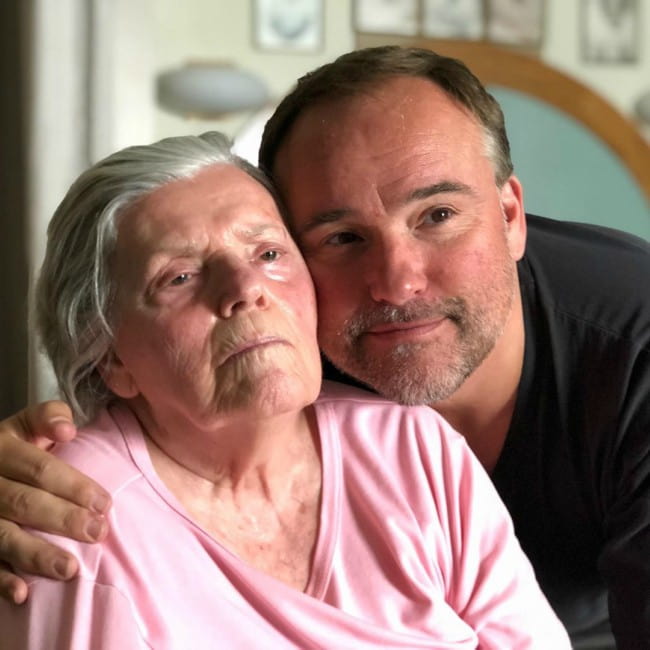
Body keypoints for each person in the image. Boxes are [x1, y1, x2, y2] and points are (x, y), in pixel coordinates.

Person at [0, 45, 648, 647]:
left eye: (437, 216)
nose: (395, 283)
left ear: (511, 216)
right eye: (341, 237)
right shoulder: (83, 513)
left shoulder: (426, 441)